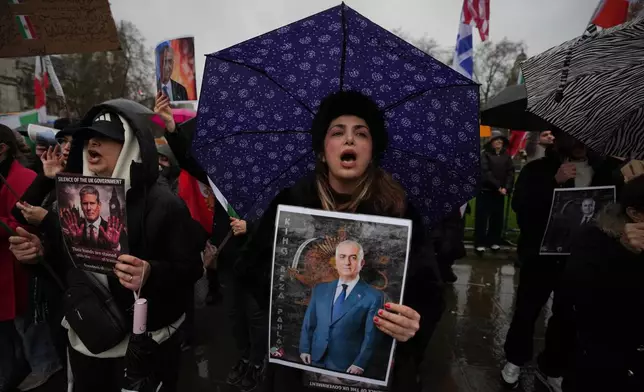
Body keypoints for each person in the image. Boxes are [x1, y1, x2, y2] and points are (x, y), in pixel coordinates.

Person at [236, 91, 444, 392]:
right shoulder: (291, 204)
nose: (349, 140)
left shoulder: (399, 212)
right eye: (338, 132)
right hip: (300, 372)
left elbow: (429, 293)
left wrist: (413, 323)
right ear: (323, 150)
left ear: (372, 150)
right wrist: (285, 301)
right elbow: (250, 269)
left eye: (361, 134)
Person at [8, 100, 204, 392]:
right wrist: (38, 253)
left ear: (132, 144)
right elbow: (66, 262)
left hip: (144, 346)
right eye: (88, 136)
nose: (92, 142)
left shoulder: (164, 203)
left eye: (106, 136)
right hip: (85, 338)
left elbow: (191, 268)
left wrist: (151, 272)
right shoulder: (76, 196)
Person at [154, 93, 263, 389]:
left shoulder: (268, 174)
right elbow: (190, 163)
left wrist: (250, 226)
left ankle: (257, 362)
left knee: (255, 314)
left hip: (256, 258)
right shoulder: (219, 171)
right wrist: (172, 130)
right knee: (233, 313)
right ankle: (243, 357)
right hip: (227, 256)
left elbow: (278, 215)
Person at [501, 131, 623, 391]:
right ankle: (515, 359)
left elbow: (618, 208)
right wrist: (553, 183)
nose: (581, 145)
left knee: (567, 316)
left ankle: (553, 366)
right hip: (541, 255)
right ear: (558, 140)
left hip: (580, 259)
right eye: (574, 139)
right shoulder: (537, 169)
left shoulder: (606, 170)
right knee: (527, 309)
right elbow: (521, 208)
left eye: (586, 140)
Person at [560, 174, 644, 391]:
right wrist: (629, 256)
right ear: (634, 214)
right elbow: (581, 296)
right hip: (603, 360)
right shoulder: (595, 239)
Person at [299, 240, 384, 375]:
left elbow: (371, 336)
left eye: (353, 257)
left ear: (361, 263)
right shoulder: (320, 289)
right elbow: (309, 322)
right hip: (314, 358)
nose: (347, 262)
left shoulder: (373, 297)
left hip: (346, 365)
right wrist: (304, 348)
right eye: (342, 257)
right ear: (336, 261)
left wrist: (359, 363)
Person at [0, 125, 38, 391]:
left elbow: (28, 223)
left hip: (16, 266)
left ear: (2, 149)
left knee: (25, 326)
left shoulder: (24, 177)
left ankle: (39, 366)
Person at [475, 131, 514, 255]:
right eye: (496, 140)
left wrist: (506, 188)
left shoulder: (507, 157)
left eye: (501, 140)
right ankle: (480, 243)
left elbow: (510, 173)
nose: (499, 142)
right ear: (491, 142)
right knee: (482, 218)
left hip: (500, 193)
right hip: (485, 191)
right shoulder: (484, 155)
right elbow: (486, 172)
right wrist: (498, 186)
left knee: (497, 218)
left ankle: (494, 241)